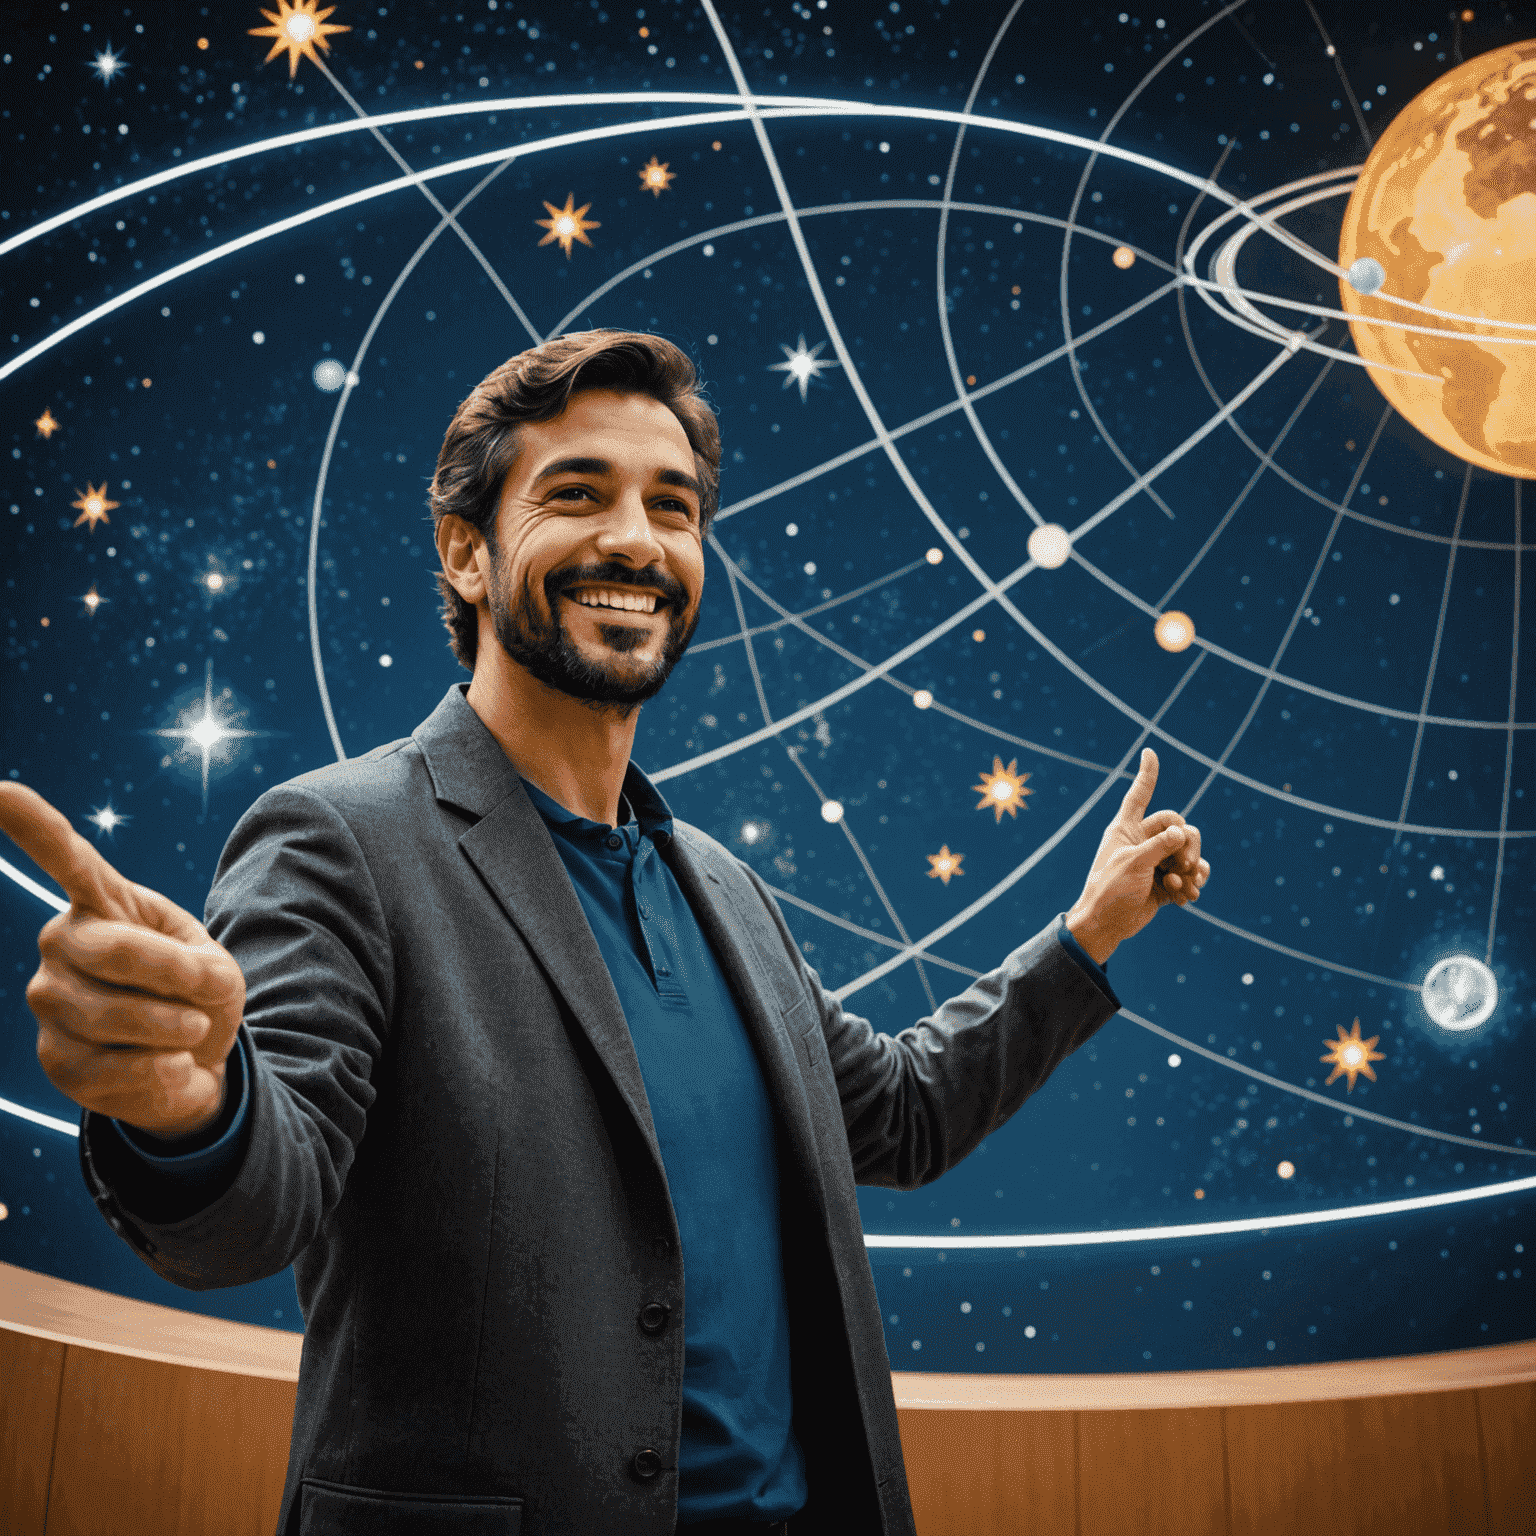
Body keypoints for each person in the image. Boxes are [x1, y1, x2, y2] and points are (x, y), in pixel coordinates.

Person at [1, 329, 1210, 1536]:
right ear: (466, 553)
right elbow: (258, 1202)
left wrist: (1087, 933)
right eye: (577, 494)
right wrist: (182, 1104)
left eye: (673, 508)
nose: (636, 539)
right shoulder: (338, 839)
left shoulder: (724, 891)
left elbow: (897, 1115)